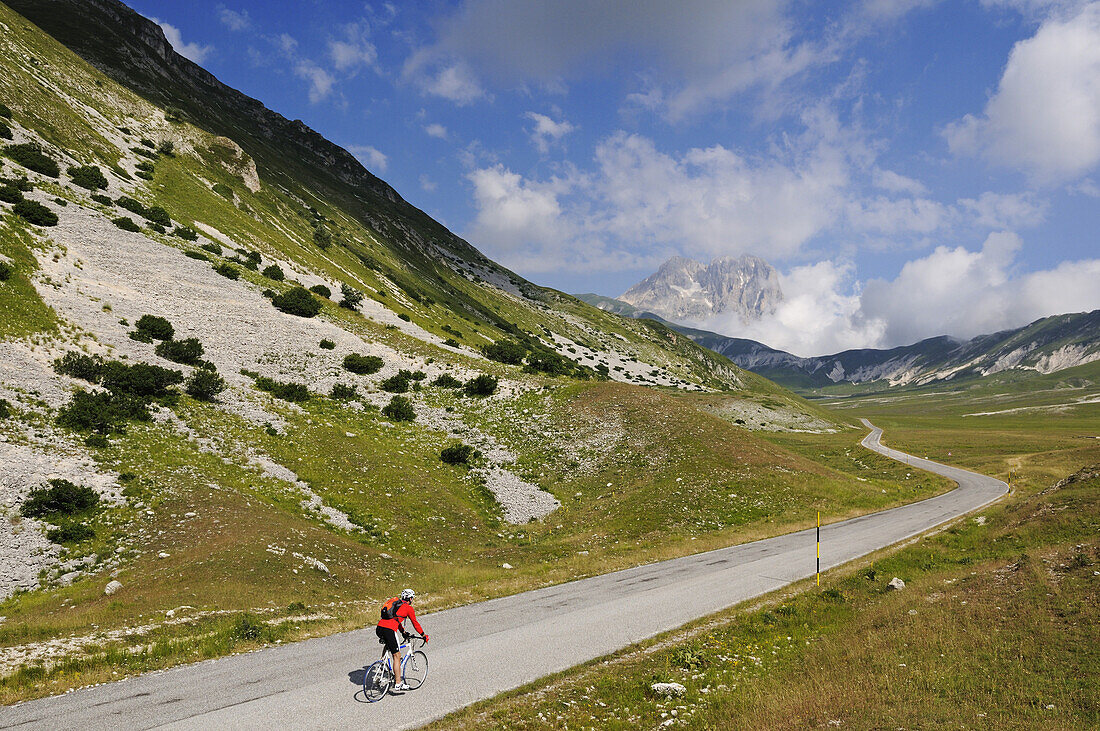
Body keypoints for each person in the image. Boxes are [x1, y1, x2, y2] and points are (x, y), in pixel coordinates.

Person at [375, 588, 429, 691]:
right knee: (397, 655)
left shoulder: (396, 605)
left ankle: (382, 665)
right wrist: (423, 635)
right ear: (411, 598)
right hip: (389, 630)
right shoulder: (408, 608)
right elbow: (415, 623)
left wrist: (403, 632)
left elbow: (396, 620)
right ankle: (398, 683)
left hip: (379, 628)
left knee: (389, 645)